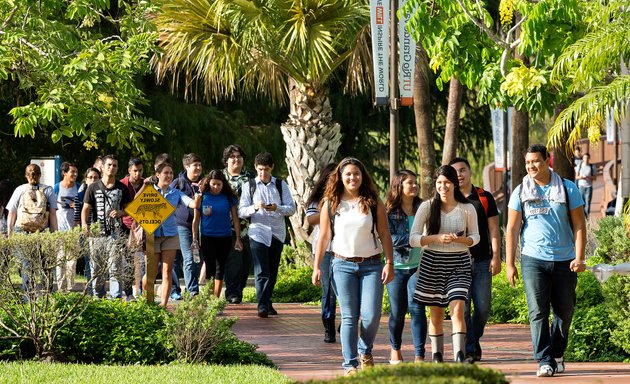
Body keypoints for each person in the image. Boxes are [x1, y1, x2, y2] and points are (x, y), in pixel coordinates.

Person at [506, 144, 586, 378]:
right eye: (528, 162)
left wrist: (579, 258)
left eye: (536, 161)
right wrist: (510, 263)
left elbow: (579, 225)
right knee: (537, 312)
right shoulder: (521, 191)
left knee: (565, 311)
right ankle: (544, 359)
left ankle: (557, 353)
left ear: (547, 161)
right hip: (533, 259)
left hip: (565, 259)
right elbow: (511, 229)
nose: (531, 166)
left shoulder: (567, 189)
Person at [311, 157, 394, 375]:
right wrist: (317, 266)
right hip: (342, 265)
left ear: (362, 176)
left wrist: (390, 263)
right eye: (348, 174)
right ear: (340, 177)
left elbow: (385, 234)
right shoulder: (330, 203)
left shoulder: (372, 200)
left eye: (356, 174)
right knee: (349, 317)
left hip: (372, 265)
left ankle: (365, 350)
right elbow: (323, 237)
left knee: (372, 315)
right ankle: (350, 364)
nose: (352, 178)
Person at [409, 165, 479, 363]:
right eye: (439, 183)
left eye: (447, 182)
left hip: (460, 262)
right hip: (432, 262)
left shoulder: (467, 208)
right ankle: (437, 355)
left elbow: (476, 236)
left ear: (454, 184)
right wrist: (436, 238)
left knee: (457, 309)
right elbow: (413, 239)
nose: (443, 186)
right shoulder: (426, 207)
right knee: (436, 313)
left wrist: (462, 241)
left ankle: (459, 355)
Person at [449, 157, 501, 363]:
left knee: (483, 307)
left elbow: (494, 229)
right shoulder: (447, 198)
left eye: (463, 170)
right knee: (463, 307)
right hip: (456, 261)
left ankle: (472, 340)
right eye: (455, 172)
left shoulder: (483, 197)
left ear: (470, 172)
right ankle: (469, 349)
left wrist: (496, 256)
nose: (459, 175)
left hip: (481, 260)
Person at [238, 152, 295, 318]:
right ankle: (262, 305)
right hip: (258, 233)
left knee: (272, 270)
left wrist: (277, 207)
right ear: (256, 168)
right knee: (261, 270)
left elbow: (291, 208)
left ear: (272, 168)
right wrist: (254, 207)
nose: (263, 173)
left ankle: (268, 301)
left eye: (266, 169)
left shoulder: (280, 184)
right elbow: (241, 211)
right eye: (260, 169)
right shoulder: (249, 185)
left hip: (277, 233)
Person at [142, 162, 201, 306]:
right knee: (152, 271)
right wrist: (144, 187)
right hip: (153, 235)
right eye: (165, 173)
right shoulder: (151, 191)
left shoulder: (176, 193)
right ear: (158, 175)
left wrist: (198, 198)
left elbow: (192, 204)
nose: (169, 176)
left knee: (167, 270)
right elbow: (137, 204)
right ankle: (145, 300)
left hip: (171, 234)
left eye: (171, 173)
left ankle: (163, 305)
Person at [385, 170, 427, 363]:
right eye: (409, 183)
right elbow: (389, 239)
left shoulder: (424, 207)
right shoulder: (390, 212)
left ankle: (419, 354)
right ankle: (395, 348)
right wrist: (415, 240)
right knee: (398, 312)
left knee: (417, 308)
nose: (414, 185)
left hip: (419, 267)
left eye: (415, 182)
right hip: (397, 269)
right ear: (399, 186)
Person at [81, 155, 132, 299]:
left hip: (115, 234)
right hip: (97, 234)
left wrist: (121, 213)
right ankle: (99, 297)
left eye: (115, 165)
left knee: (115, 267)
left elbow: (130, 208)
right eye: (109, 165)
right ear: (102, 167)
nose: (112, 168)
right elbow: (85, 208)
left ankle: (115, 298)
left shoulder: (122, 188)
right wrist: (85, 225)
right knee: (96, 268)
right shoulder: (93, 187)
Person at [7, 164, 59, 292]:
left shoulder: (19, 190)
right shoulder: (48, 190)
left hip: (22, 231)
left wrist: (10, 234)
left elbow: (12, 213)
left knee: (26, 265)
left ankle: (28, 298)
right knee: (46, 266)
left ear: (25, 175)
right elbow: (52, 214)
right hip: (42, 231)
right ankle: (48, 297)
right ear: (40, 175)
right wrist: (55, 234)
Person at [192, 170, 242, 299]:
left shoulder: (228, 197)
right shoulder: (202, 196)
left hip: (224, 237)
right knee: (210, 267)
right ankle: (208, 298)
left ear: (223, 184)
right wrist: (194, 239)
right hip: (208, 237)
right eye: (214, 184)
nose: (216, 187)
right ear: (209, 183)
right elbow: (196, 219)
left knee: (221, 268)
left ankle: (215, 299)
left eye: (219, 184)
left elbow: (235, 218)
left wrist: (238, 238)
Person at [305, 163, 338, 343]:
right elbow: (310, 219)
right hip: (324, 250)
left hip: (346, 250)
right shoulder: (318, 200)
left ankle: (348, 320)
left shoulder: (350, 198)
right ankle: (329, 326)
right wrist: (330, 210)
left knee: (348, 291)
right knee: (328, 291)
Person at [222, 144, 255, 304]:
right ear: (226, 160)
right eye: (232, 157)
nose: (236, 160)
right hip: (225, 226)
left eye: (239, 156)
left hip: (248, 226)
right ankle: (232, 293)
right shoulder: (219, 177)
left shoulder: (250, 177)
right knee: (233, 261)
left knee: (246, 261)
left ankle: (239, 290)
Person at [171, 153, 203, 298]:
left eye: (200, 165)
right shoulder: (178, 183)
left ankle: (189, 288)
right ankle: (191, 291)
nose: (198, 168)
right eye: (195, 165)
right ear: (186, 166)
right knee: (187, 258)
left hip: (200, 227)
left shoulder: (204, 183)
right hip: (181, 226)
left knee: (197, 259)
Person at [120, 158, 145, 297]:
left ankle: (141, 290)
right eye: (135, 170)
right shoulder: (122, 184)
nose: (138, 173)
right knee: (127, 262)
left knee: (141, 261)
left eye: (140, 170)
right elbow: (130, 205)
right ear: (129, 170)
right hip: (126, 225)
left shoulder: (146, 183)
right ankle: (128, 293)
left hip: (142, 226)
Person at [74, 167, 101, 295]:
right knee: (89, 263)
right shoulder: (79, 196)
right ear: (85, 179)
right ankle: (91, 291)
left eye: (95, 177)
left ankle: (99, 291)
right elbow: (77, 218)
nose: (93, 180)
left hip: (100, 233)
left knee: (100, 264)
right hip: (86, 233)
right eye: (90, 177)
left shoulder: (102, 194)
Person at [54, 161, 80, 292]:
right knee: (60, 261)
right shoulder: (57, 188)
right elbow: (51, 209)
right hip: (59, 230)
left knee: (72, 262)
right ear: (64, 173)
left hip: (73, 231)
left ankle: (70, 289)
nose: (75, 174)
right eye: (72, 172)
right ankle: (60, 289)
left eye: (76, 172)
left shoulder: (79, 188)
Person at [575, 152, 596, 218]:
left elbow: (595, 177)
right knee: (581, 204)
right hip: (581, 186)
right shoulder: (579, 166)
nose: (586, 159)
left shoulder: (592, 167)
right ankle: (582, 218)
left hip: (588, 187)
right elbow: (576, 177)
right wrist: (581, 177)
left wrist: (588, 177)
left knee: (587, 204)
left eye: (587, 158)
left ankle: (587, 219)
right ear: (583, 158)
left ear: (589, 158)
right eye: (584, 158)